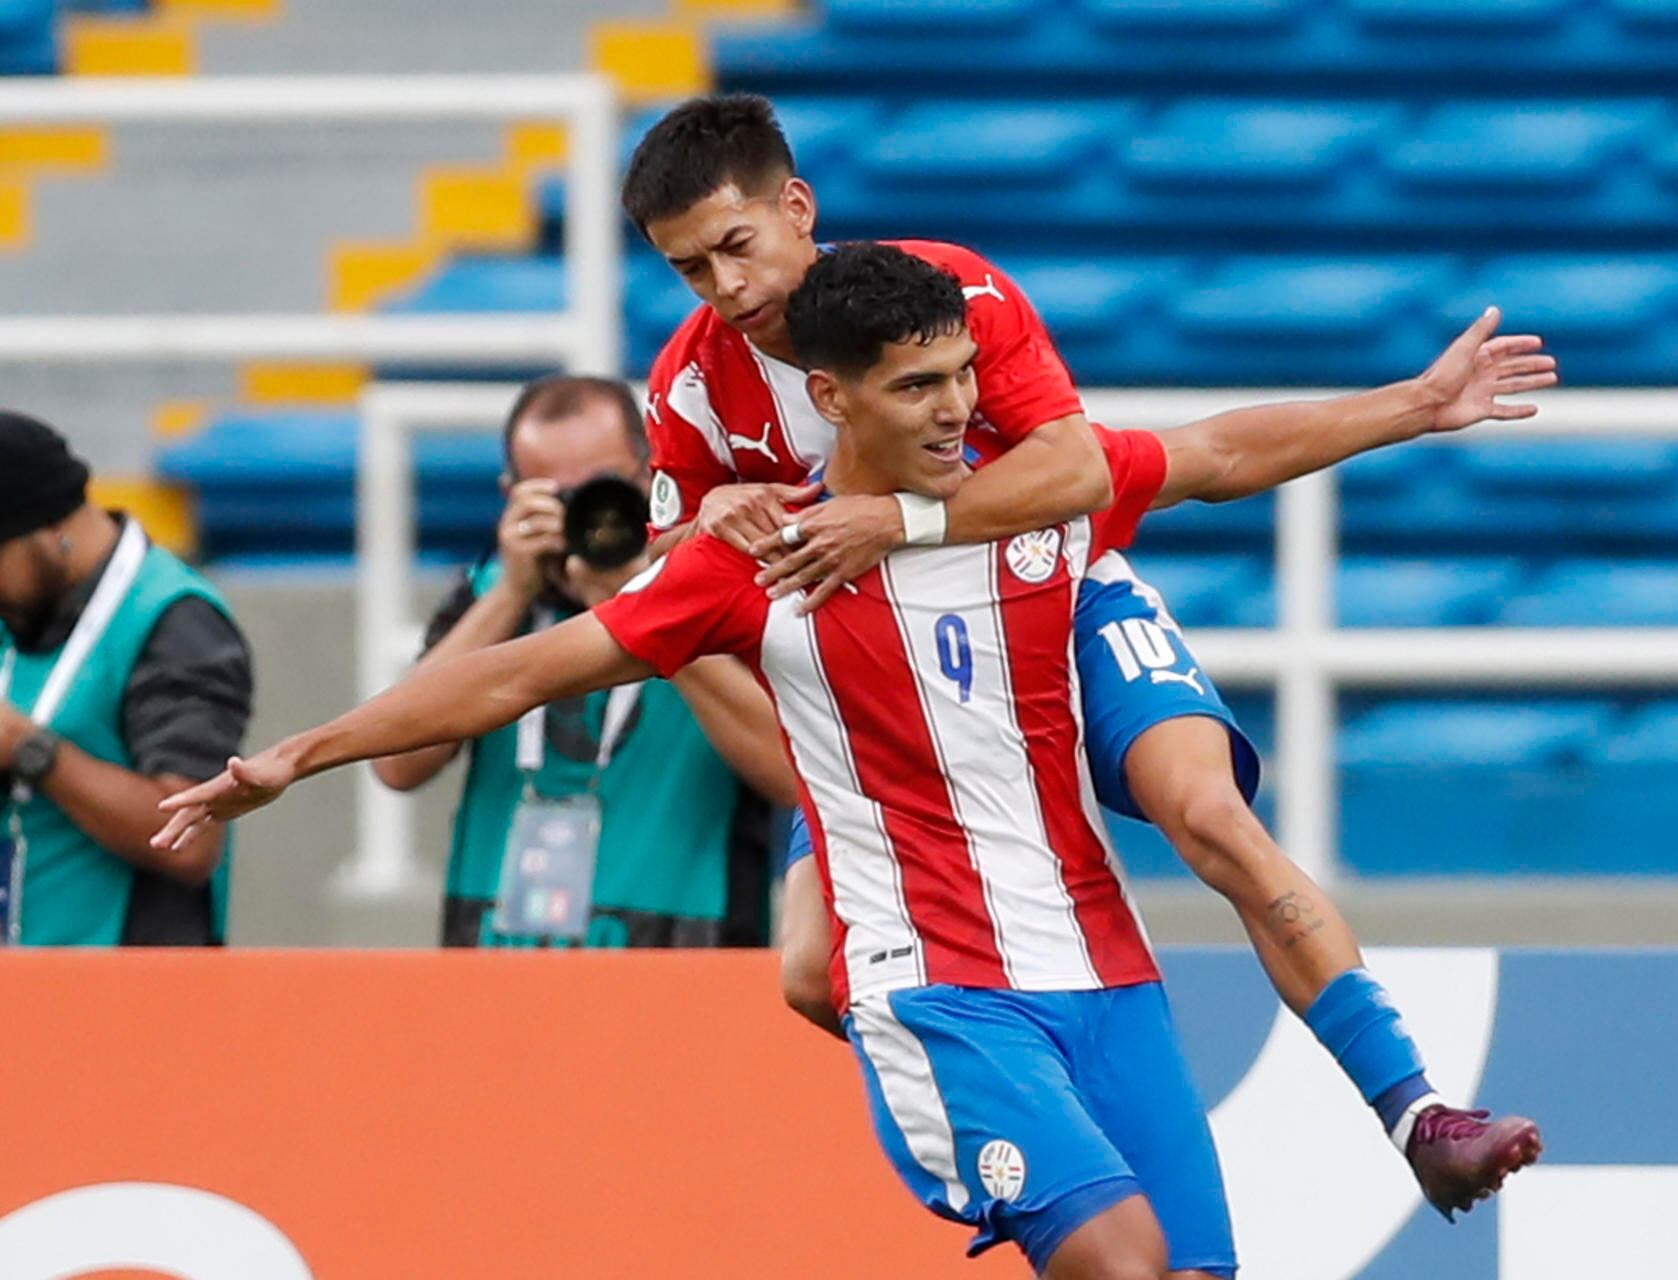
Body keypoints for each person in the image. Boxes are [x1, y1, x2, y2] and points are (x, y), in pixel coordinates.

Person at [156, 245, 1543, 1278]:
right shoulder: (747, 566)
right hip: (937, 985)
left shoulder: (1043, 491)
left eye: (959, 377)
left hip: (1104, 972)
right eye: (916, 388)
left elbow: (1227, 451)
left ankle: (1412, 1107)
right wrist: (298, 754)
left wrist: (1416, 404)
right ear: (829, 397)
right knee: (1120, 1261)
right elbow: (521, 670)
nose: (956, 411)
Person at [623, 95, 1555, 1214]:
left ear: (797, 207)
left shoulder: (941, 298)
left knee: (1208, 815)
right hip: (881, 693)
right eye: (690, 270)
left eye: (736, 246)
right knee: (810, 970)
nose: (725, 288)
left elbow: (1083, 463)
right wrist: (708, 510)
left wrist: (1412, 403)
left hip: (1055, 603)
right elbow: (667, 568)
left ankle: (1416, 1111)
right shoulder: (689, 386)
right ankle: (1034, 1132)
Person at [372, 375, 794, 948]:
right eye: (558, 495)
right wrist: (506, 597)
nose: (588, 515)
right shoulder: (492, 592)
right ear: (511, 493)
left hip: (685, 953)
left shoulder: (723, 591)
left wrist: (652, 611)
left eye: (605, 488)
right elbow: (395, 764)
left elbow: (797, 774)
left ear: (651, 475)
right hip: (498, 954)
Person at [0, 412, 250, 945]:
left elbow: (191, 837)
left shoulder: (175, 622)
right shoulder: (19, 607)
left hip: (126, 998)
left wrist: (26, 748)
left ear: (49, 533)